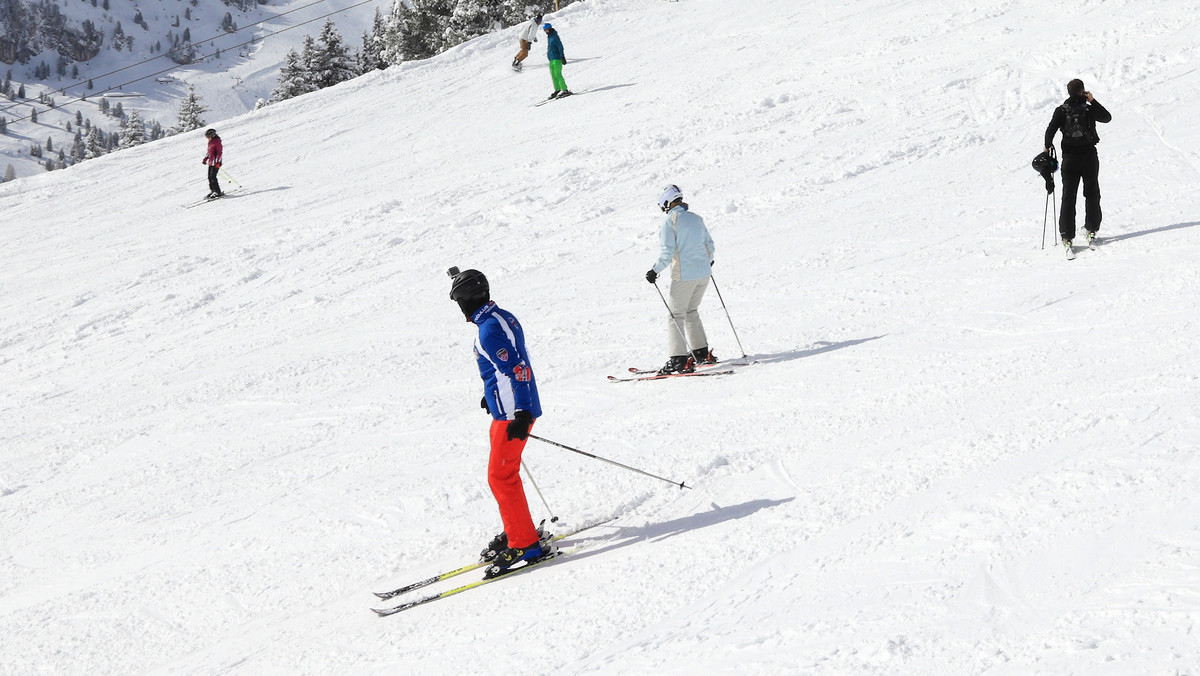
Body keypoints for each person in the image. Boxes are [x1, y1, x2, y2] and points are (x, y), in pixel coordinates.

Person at [447, 267, 550, 572]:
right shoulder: (501, 316)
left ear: (466, 300)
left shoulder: (488, 330)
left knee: (501, 478)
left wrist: (521, 412)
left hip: (511, 415)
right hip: (505, 409)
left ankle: (525, 545)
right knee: (503, 477)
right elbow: (504, 365)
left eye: (458, 302)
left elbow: (517, 369)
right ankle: (518, 528)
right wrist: (490, 394)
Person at [644, 185, 717, 374]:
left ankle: (679, 360)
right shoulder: (696, 218)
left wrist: (654, 270)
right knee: (691, 311)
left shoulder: (671, 221)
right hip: (703, 274)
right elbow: (709, 245)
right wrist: (707, 263)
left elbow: (667, 253)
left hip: (685, 276)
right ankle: (700, 353)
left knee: (675, 316)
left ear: (667, 202)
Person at [1043, 79, 1111, 250]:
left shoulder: (1061, 110)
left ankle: (1067, 236)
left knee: (1068, 197)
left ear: (1069, 92)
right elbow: (1107, 117)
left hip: (1070, 159)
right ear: (1082, 92)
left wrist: (1047, 147)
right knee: (1092, 193)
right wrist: (1092, 101)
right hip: (1089, 157)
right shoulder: (1089, 109)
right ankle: (1091, 229)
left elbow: (1050, 131)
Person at [543, 23, 571, 100]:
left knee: (558, 74)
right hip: (551, 59)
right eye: (544, 30)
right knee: (553, 75)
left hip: (557, 58)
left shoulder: (555, 36)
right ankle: (557, 89)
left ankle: (565, 90)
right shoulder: (549, 36)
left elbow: (560, 46)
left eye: (546, 29)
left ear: (549, 29)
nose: (545, 31)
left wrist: (562, 56)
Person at [202, 128, 224, 199]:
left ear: (212, 135)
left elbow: (219, 153)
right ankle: (212, 190)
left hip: (216, 163)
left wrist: (218, 162)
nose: (207, 138)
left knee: (213, 177)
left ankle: (217, 192)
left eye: (208, 137)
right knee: (209, 177)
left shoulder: (217, 142)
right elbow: (209, 152)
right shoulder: (210, 142)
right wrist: (205, 158)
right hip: (211, 162)